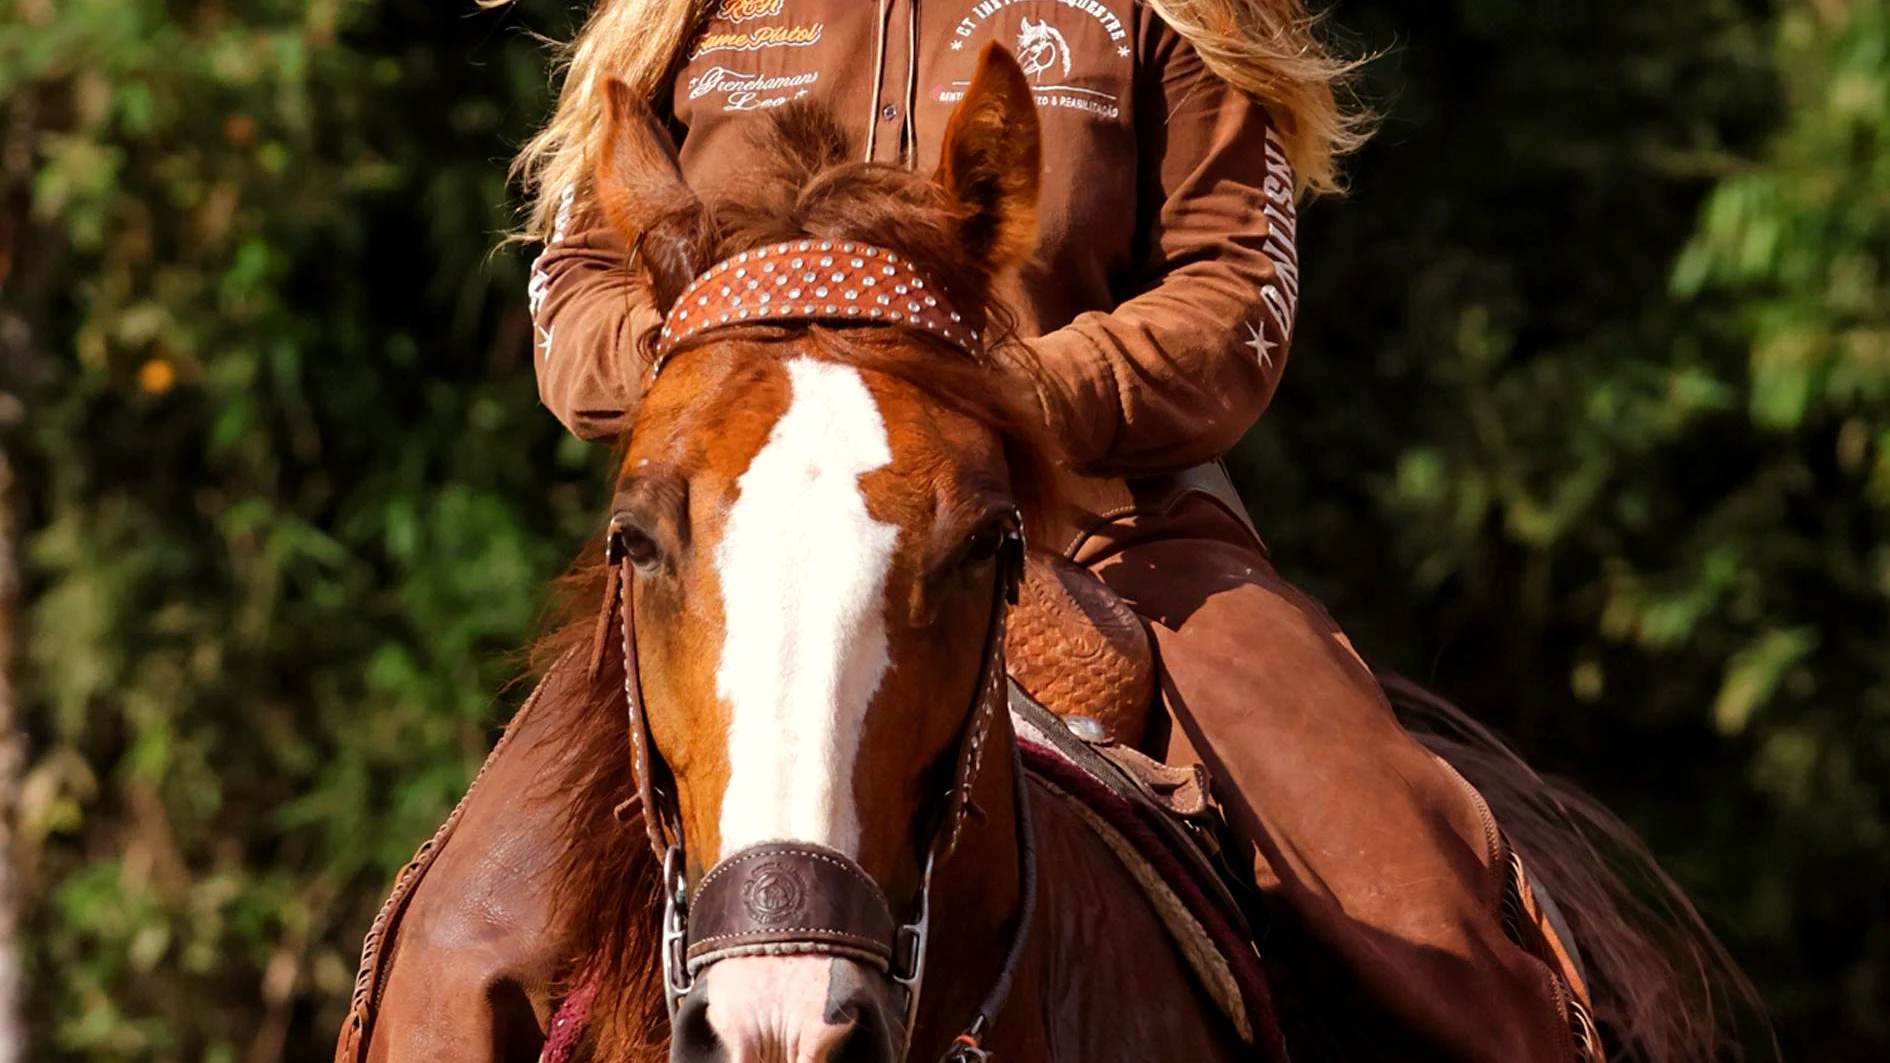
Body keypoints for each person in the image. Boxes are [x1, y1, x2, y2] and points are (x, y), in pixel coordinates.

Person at [337, 2, 1596, 1061]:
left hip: (1127, 537)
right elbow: (579, 307)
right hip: (737, 553)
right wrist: (737, 375)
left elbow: (1229, 297)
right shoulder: (679, 17)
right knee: (456, 954)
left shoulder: (1174, 13)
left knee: (1412, 918)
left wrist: (986, 410)